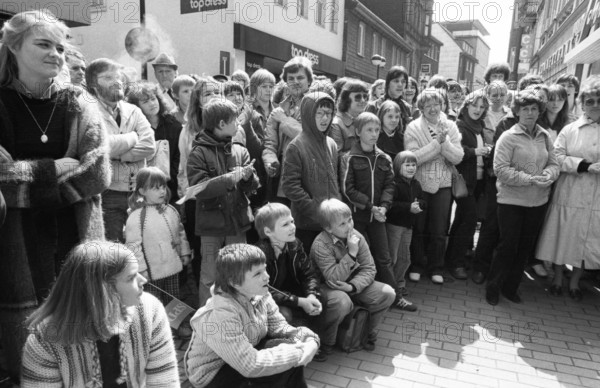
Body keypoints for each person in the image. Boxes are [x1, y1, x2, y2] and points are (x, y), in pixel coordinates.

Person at [0, 10, 111, 379]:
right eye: (43, 44)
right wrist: (52, 170)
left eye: (60, 48)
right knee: (28, 355)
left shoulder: (78, 103)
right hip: (15, 242)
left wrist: (22, 175)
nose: (56, 54)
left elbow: (96, 173)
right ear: (13, 46)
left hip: (74, 237)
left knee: (81, 350)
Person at [21, 241, 179, 387]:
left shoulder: (150, 312)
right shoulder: (45, 340)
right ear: (103, 291)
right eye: (131, 277)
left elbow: (165, 381)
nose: (143, 280)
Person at [184, 244, 318, 388]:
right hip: (213, 375)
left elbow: (279, 327)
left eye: (265, 268)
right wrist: (298, 353)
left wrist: (308, 338)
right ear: (234, 282)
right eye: (257, 274)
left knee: (288, 352)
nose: (267, 277)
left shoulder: (261, 294)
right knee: (287, 359)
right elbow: (249, 365)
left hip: (243, 356)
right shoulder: (219, 314)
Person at [486, 89, 559, 306]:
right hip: (511, 201)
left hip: (537, 202)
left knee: (524, 248)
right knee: (508, 246)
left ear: (539, 111)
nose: (529, 113)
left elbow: (554, 163)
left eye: (534, 109)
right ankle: (493, 287)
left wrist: (549, 174)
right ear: (517, 112)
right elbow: (500, 169)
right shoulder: (508, 137)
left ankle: (511, 288)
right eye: (525, 109)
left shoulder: (545, 136)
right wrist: (530, 179)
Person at [187, 99, 259, 307]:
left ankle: (241, 315)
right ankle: (206, 321)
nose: (238, 124)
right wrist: (230, 179)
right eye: (234, 120)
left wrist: (248, 178)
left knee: (241, 272)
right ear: (220, 124)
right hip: (211, 226)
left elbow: (252, 186)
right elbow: (198, 188)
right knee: (210, 275)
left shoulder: (239, 150)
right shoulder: (199, 152)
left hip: (237, 223)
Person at [536, 75, 600, 301]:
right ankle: (558, 278)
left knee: (587, 238)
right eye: (589, 101)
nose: (594, 105)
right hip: (570, 190)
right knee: (564, 235)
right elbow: (556, 156)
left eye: (598, 101)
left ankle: (575, 282)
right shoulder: (570, 129)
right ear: (582, 103)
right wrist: (583, 165)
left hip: (596, 196)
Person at [311, 198, 396, 351]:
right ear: (329, 228)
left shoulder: (356, 236)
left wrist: (352, 286)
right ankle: (326, 341)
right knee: (342, 301)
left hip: (351, 284)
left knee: (388, 293)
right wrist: (351, 254)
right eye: (342, 224)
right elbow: (333, 278)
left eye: (350, 220)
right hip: (326, 287)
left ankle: (363, 332)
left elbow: (369, 268)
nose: (349, 225)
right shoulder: (320, 244)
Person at [87, 58, 156, 243]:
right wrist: (132, 137)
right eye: (108, 77)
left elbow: (150, 146)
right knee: (114, 247)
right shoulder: (87, 111)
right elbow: (98, 145)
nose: (117, 81)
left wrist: (118, 155)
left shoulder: (133, 110)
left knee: (142, 244)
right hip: (108, 192)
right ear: (93, 84)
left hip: (139, 191)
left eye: (118, 76)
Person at [254, 202, 331, 361]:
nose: (292, 227)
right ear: (268, 231)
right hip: (268, 302)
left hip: (291, 294)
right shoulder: (259, 253)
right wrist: (298, 301)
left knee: (319, 298)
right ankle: (280, 352)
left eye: (292, 221)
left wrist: (311, 295)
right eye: (285, 224)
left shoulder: (295, 244)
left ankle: (315, 341)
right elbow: (263, 289)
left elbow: (309, 273)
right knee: (284, 313)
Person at [404, 88, 464, 284]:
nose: (432, 108)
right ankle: (417, 265)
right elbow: (413, 158)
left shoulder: (451, 127)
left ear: (442, 105)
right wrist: (437, 145)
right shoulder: (413, 127)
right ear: (420, 108)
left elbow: (458, 157)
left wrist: (444, 141)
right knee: (419, 227)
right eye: (427, 105)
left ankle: (436, 267)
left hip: (444, 185)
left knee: (439, 229)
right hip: (420, 185)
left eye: (436, 104)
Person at [339, 112, 398, 300]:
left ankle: (395, 296)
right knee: (360, 257)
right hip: (357, 218)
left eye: (377, 130)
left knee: (384, 257)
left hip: (378, 217)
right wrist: (371, 206)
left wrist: (384, 207)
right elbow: (348, 190)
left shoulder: (384, 158)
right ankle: (358, 295)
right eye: (369, 130)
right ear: (358, 132)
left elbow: (390, 184)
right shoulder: (350, 157)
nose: (374, 134)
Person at [281, 91, 340, 251]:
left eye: (328, 113)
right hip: (306, 224)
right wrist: (315, 210)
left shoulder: (331, 144)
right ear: (308, 114)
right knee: (308, 269)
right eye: (319, 113)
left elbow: (335, 181)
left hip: (331, 222)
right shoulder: (296, 146)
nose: (325, 118)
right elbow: (290, 186)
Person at [177, 77, 222, 286]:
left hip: (223, 197)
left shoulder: (229, 125)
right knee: (201, 250)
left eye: (216, 92)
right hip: (197, 198)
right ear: (198, 100)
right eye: (207, 93)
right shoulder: (188, 131)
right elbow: (183, 168)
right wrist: (186, 197)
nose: (213, 97)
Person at [125, 167, 191, 303]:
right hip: (151, 273)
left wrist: (184, 252)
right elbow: (133, 245)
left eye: (163, 186)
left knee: (173, 300)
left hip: (173, 267)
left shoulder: (171, 210)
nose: (162, 191)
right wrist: (141, 269)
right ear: (142, 191)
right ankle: (154, 323)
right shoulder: (136, 217)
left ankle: (173, 324)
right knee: (153, 301)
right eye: (155, 188)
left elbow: (180, 233)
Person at [445, 90, 491, 280]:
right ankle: (456, 263)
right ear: (466, 106)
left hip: (479, 181)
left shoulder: (480, 127)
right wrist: (476, 151)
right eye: (474, 105)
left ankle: (451, 258)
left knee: (461, 220)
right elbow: (454, 151)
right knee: (470, 221)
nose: (478, 110)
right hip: (464, 182)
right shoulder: (459, 126)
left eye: (482, 107)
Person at [263, 56, 313, 201]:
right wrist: (270, 161)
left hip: (306, 178)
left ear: (309, 81)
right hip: (281, 179)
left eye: (300, 77)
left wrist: (284, 120)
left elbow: (310, 138)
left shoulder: (317, 105)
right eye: (291, 78)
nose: (295, 82)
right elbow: (269, 144)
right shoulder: (278, 110)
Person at [126, 81, 182, 203]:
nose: (152, 104)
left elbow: (178, 158)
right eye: (145, 101)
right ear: (136, 106)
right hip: (143, 189)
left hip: (170, 187)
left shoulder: (173, 124)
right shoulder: (133, 128)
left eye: (153, 98)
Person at [386, 150, 424, 311]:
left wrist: (419, 206)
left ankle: (399, 284)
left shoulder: (416, 184)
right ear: (397, 166)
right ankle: (389, 289)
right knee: (392, 257)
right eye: (407, 165)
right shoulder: (394, 184)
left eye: (413, 165)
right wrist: (408, 207)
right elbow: (391, 205)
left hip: (408, 226)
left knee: (405, 258)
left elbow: (423, 200)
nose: (411, 168)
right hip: (394, 226)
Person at [244, 69, 275, 205]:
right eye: (264, 86)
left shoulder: (278, 110)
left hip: (274, 170)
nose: (268, 90)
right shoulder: (249, 111)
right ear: (254, 88)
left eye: (271, 86)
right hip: (256, 168)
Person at [365, 66, 413, 134]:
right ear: (388, 83)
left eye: (403, 82)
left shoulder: (406, 107)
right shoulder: (373, 106)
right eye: (396, 81)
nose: (400, 85)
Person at [330, 79, 369, 152]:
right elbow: (337, 156)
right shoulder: (336, 124)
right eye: (358, 97)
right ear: (347, 99)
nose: (363, 100)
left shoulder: (365, 121)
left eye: (365, 96)